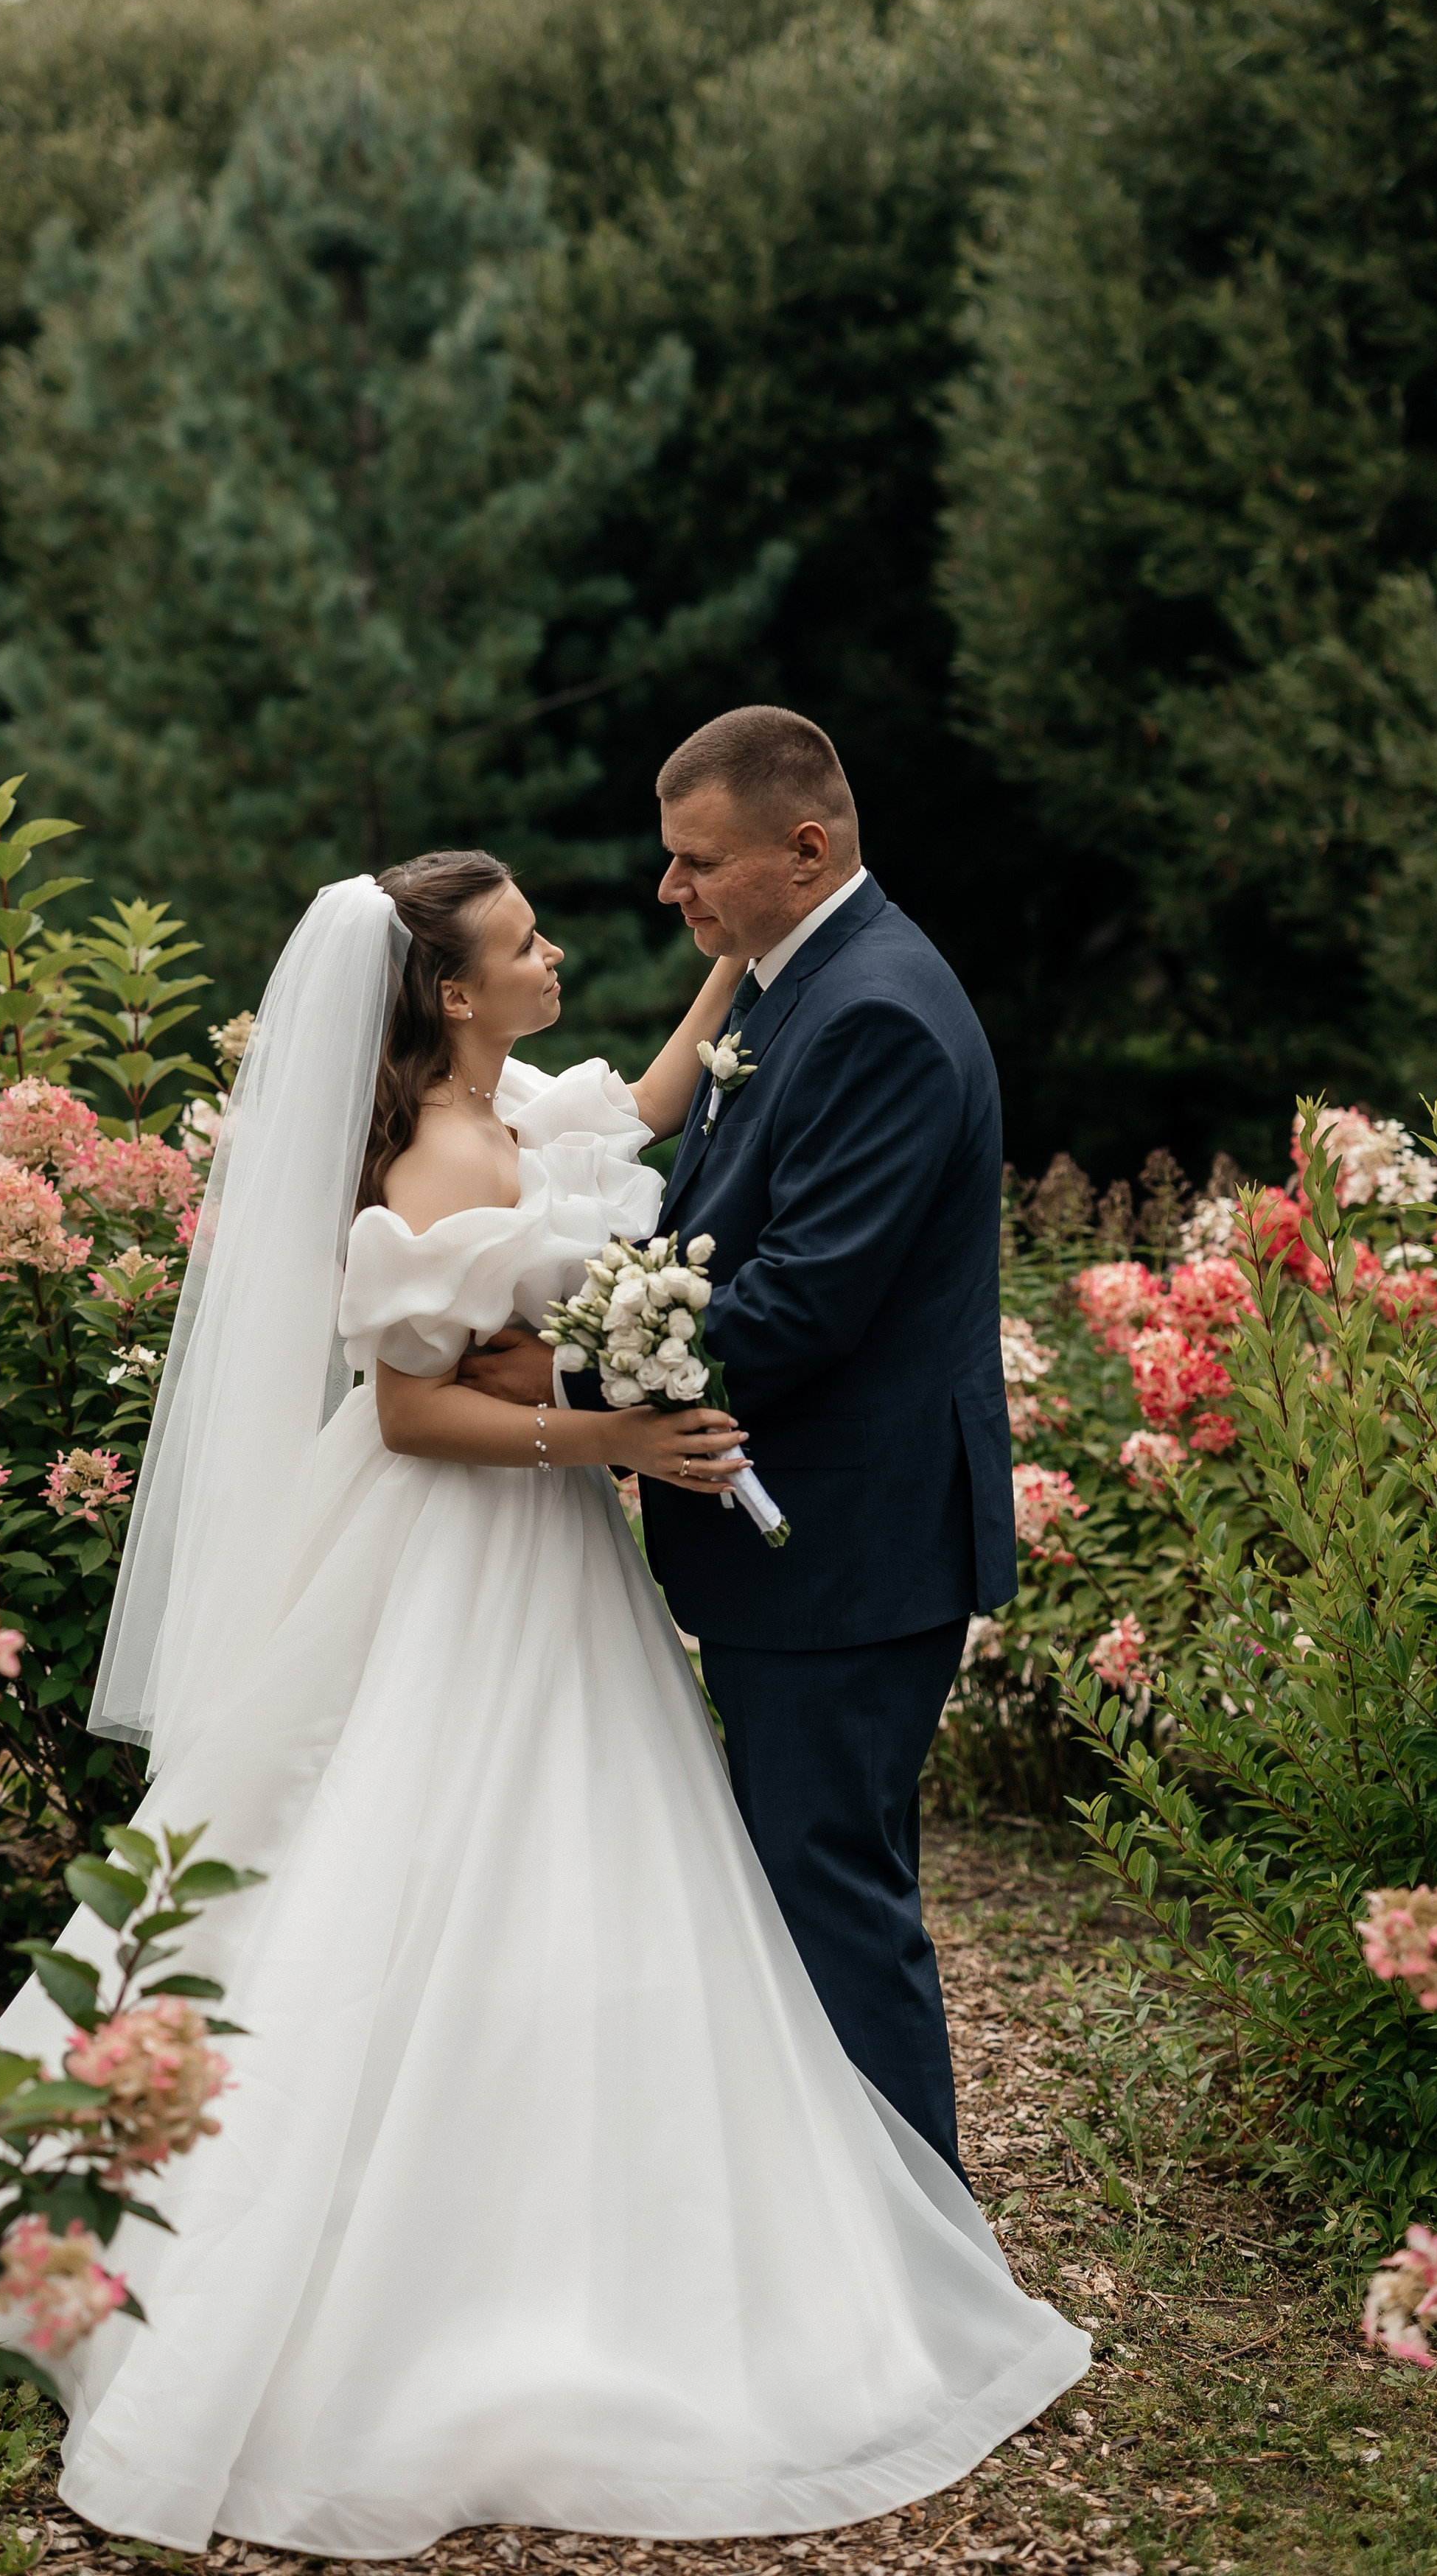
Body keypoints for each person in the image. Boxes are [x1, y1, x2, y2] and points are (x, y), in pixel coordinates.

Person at [0, 855, 1085, 2556]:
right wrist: (611, 1434)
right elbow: (411, 1418)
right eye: (523, 945)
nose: (560, 950)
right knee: (423, 1855)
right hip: (461, 1542)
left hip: (545, 1557)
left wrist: (732, 992)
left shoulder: (513, 1112)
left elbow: (616, 1122)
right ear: (454, 999)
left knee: (565, 1853)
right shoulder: (438, 1153)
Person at [464, 708, 1013, 2183]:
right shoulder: (791, 985)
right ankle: (846, 2240)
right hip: (810, 1533)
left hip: (850, 1538)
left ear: (804, 848)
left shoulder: (875, 1013)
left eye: (694, 864)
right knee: (796, 1879)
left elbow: (798, 1302)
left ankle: (918, 2259)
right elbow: (698, 1227)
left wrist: (557, 1375)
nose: (670, 893)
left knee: (828, 1888)